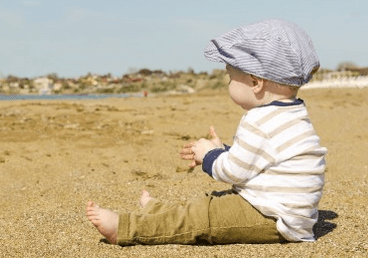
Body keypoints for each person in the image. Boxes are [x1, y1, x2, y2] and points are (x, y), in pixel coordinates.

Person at [86, 18, 327, 245]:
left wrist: (209, 157)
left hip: (272, 218)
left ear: (255, 82)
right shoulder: (293, 113)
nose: (229, 83)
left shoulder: (258, 120)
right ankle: (159, 212)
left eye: (231, 77)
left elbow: (234, 172)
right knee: (211, 204)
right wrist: (223, 151)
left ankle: (126, 228)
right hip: (289, 215)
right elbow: (261, 161)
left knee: (204, 216)